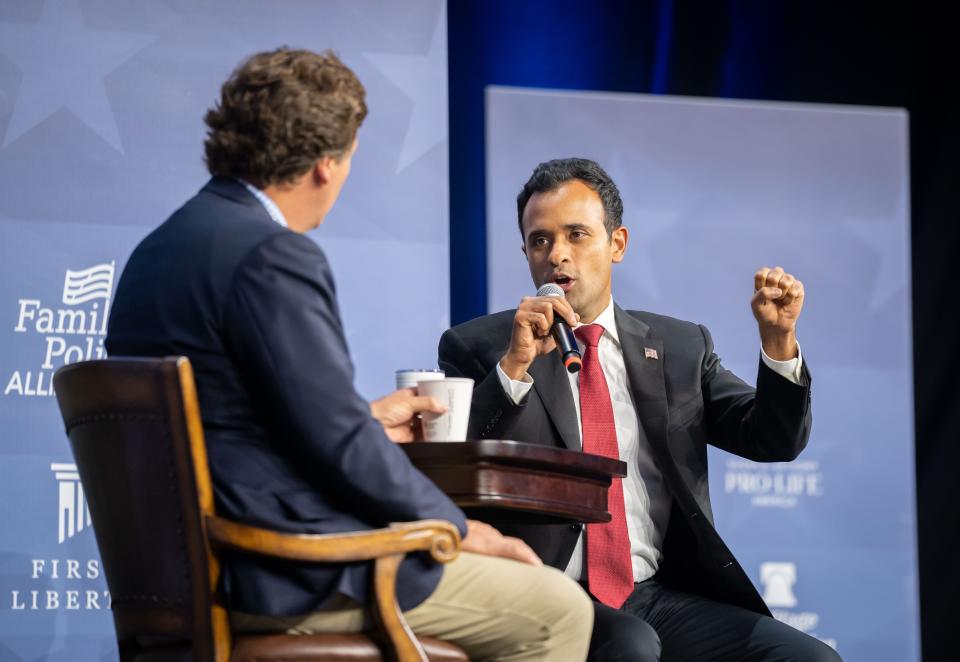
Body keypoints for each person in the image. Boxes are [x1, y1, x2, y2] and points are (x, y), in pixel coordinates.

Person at [105, 49, 592, 661]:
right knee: (557, 610)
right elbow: (340, 452)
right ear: (326, 166)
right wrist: (461, 531)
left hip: (183, 575)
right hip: (283, 572)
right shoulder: (272, 255)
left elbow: (244, 425)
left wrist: (362, 421)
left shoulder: (157, 253)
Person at [438, 158, 841, 661]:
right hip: (540, 591)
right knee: (631, 646)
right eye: (540, 241)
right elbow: (452, 466)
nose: (557, 255)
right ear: (525, 253)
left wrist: (779, 342)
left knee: (810, 659)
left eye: (577, 235)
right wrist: (514, 368)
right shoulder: (480, 346)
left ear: (617, 244)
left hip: (652, 592)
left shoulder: (679, 346)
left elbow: (772, 439)